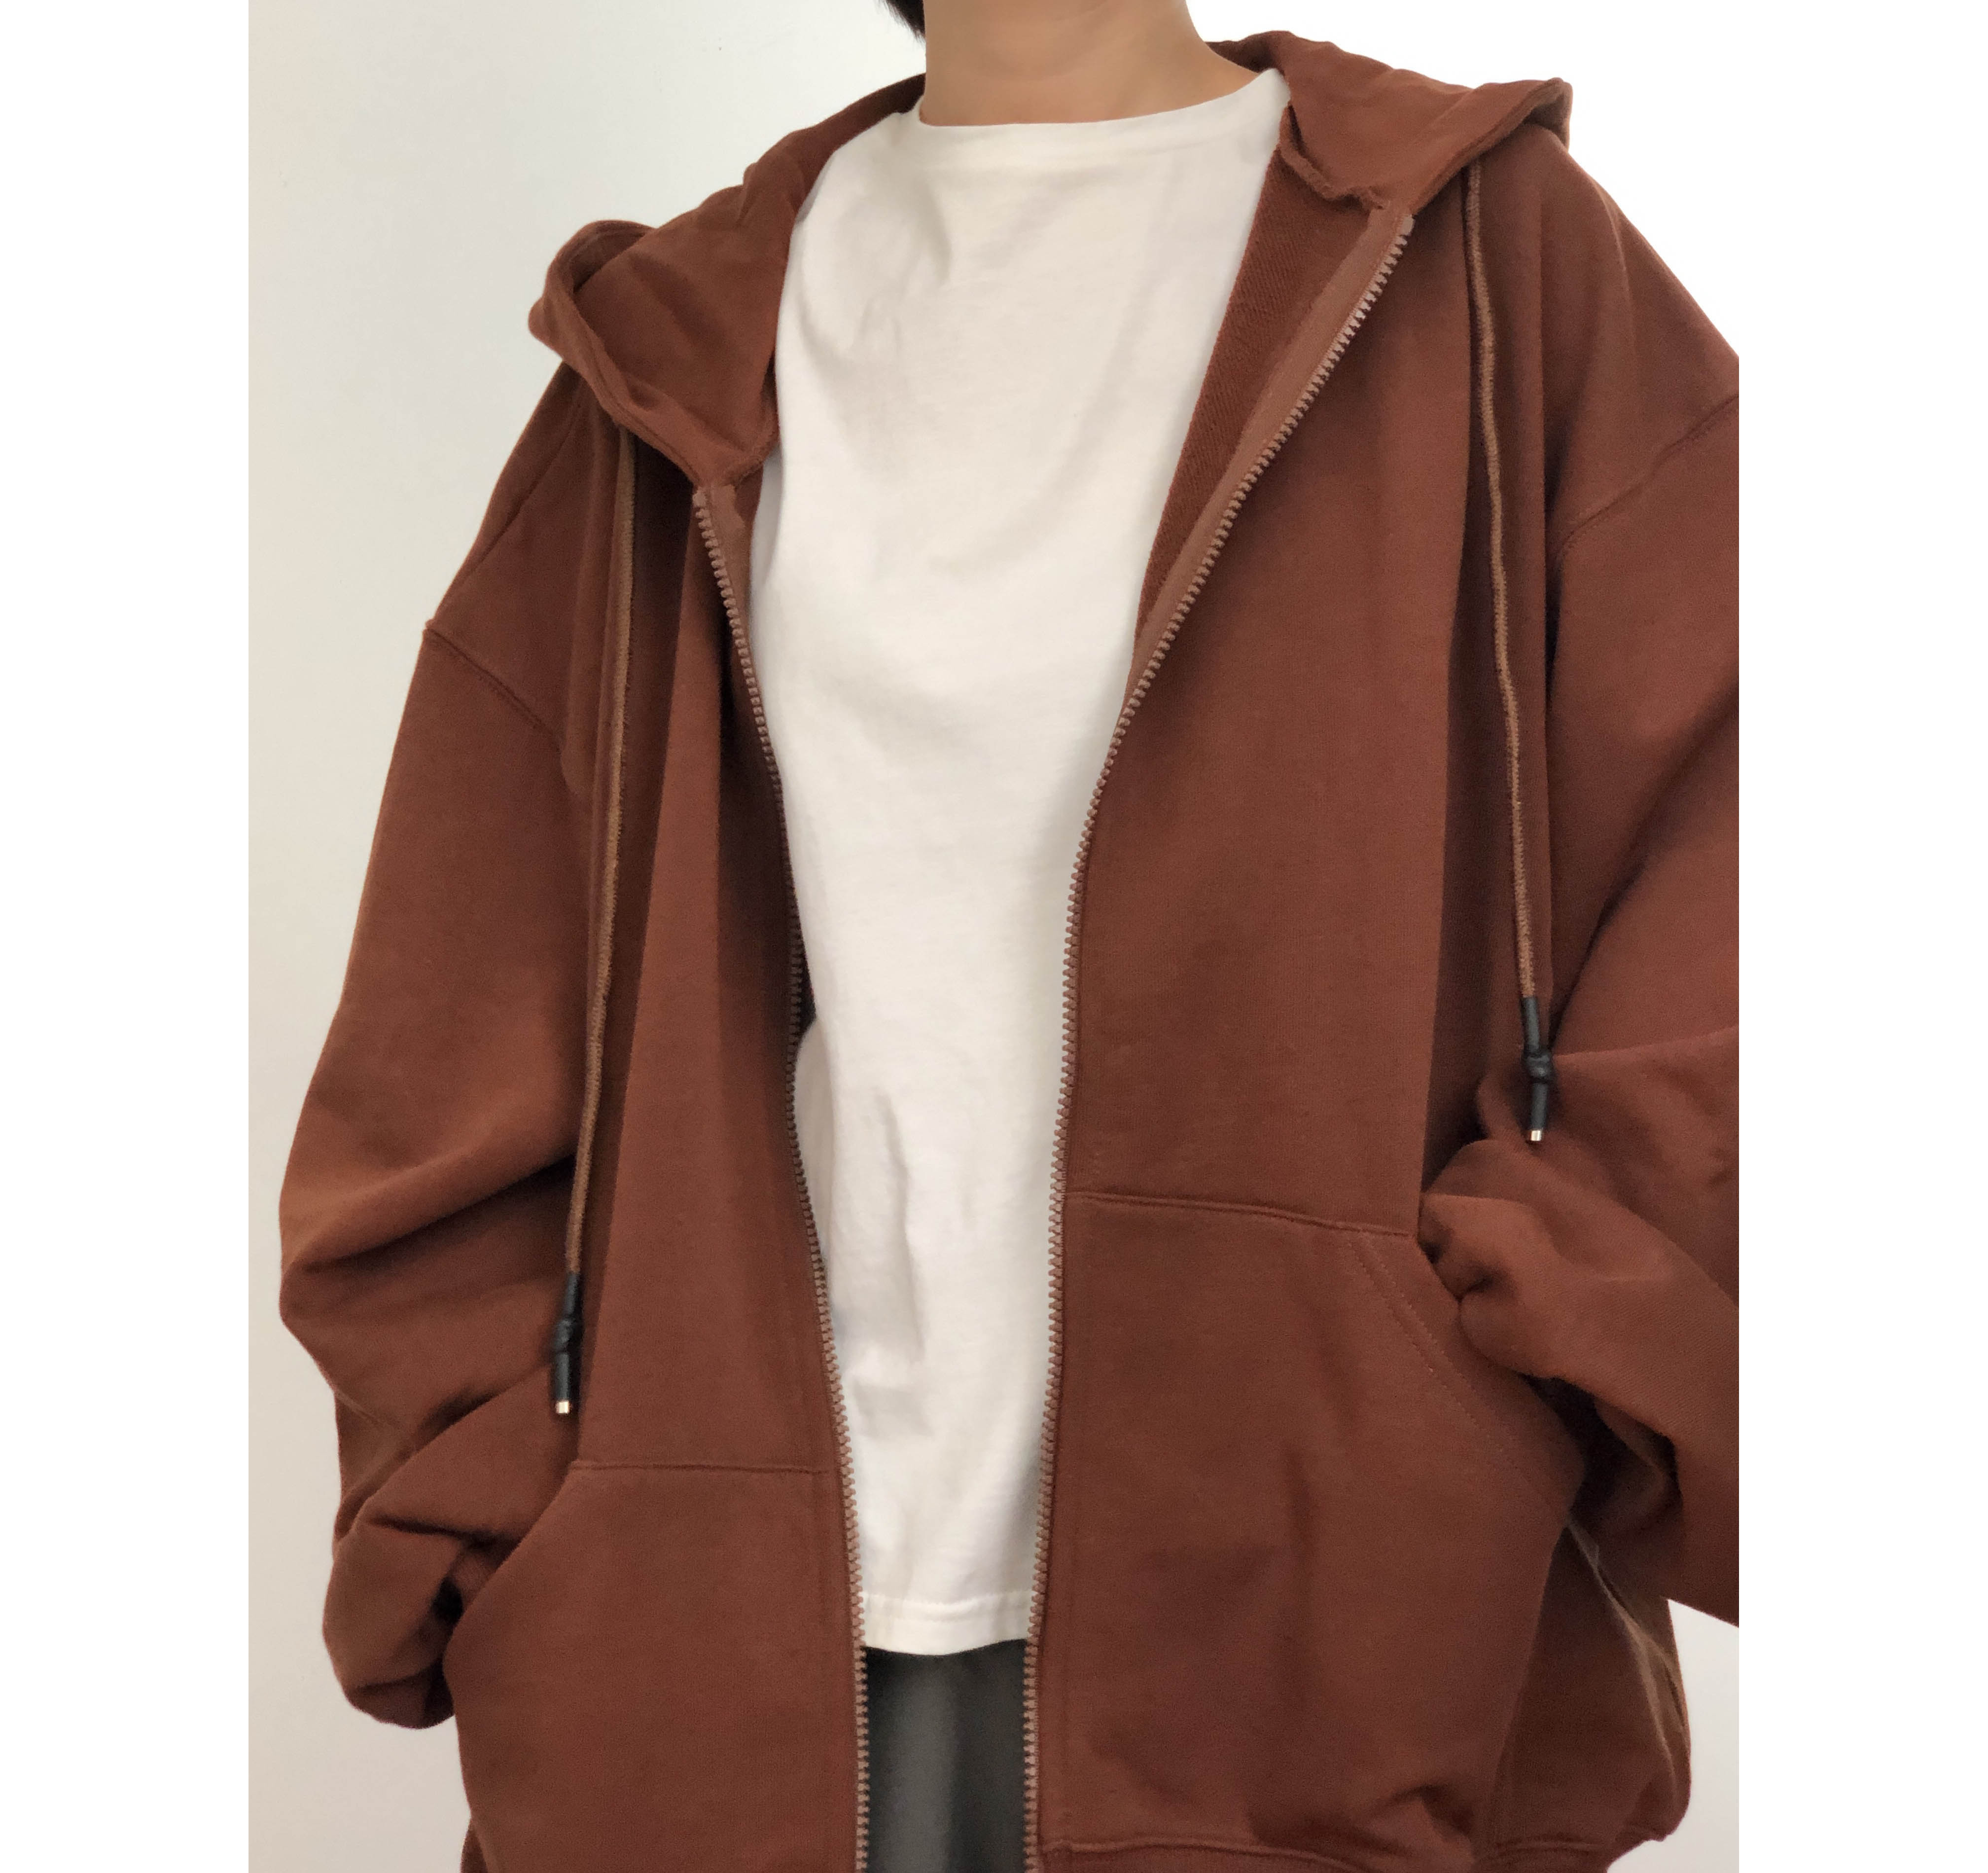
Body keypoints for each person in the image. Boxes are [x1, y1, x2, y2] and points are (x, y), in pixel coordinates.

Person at [279, 3, 1738, 1870]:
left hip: (1331, 1608)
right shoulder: (683, 343)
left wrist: (1510, 1350)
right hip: (719, 1640)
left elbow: (1753, 859)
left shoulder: (1481, 261)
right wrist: (520, 1498)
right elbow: (455, 1010)